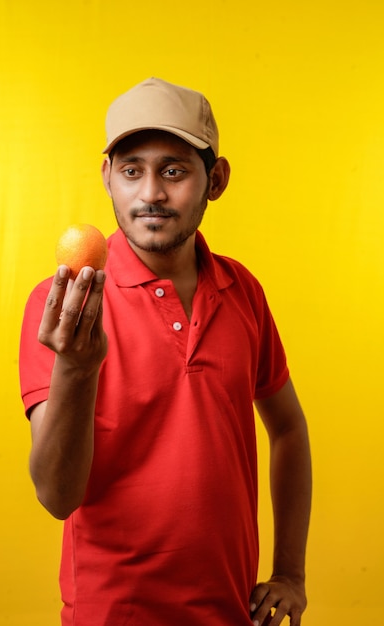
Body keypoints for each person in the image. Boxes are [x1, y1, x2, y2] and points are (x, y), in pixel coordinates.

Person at [19, 77, 312, 626]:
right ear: (108, 176)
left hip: (231, 613)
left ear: (216, 180)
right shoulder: (63, 306)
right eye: (132, 170)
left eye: (173, 171)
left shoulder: (242, 290)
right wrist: (77, 369)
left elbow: (289, 429)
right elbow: (57, 496)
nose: (150, 193)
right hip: (112, 615)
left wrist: (291, 573)